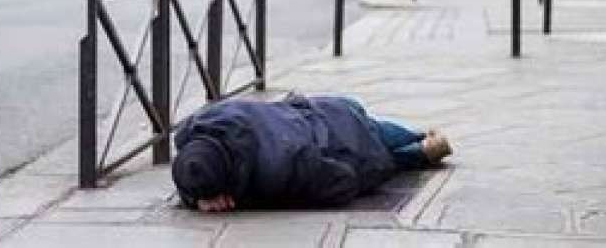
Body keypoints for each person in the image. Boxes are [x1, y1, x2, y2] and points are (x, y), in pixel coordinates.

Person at [172, 93, 452, 212]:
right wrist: (195, 197)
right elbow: (191, 169)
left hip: (349, 144)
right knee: (375, 126)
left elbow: (344, 182)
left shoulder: (274, 170)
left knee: (382, 154)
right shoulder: (196, 126)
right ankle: (417, 137)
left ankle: (420, 151)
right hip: (322, 108)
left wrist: (248, 200)